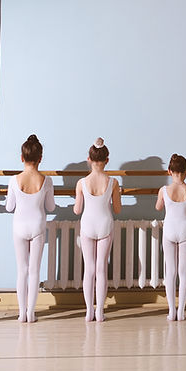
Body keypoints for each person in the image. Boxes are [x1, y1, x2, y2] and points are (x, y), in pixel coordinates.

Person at [5, 134, 56, 322]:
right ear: (40, 159)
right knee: (34, 270)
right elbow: (50, 207)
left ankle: (21, 313)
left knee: (22, 270)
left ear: (21, 158)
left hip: (19, 226)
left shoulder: (13, 180)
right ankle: (31, 313)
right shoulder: (47, 181)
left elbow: (9, 207)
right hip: (38, 226)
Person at [73, 138, 122, 322]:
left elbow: (77, 210)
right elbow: (117, 209)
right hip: (105, 225)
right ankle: (100, 311)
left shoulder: (82, 183)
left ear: (89, 159)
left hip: (87, 225)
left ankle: (88, 311)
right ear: (107, 160)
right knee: (101, 268)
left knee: (90, 269)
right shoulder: (113, 182)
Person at [154, 153, 186, 321]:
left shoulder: (164, 190)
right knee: (184, 271)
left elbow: (158, 207)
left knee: (171, 271)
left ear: (169, 171)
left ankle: (171, 311)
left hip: (169, 230)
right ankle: (181, 311)